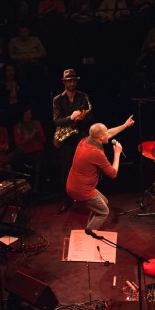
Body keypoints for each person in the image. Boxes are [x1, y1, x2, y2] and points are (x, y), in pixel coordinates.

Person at [66, 118, 134, 231]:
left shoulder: (85, 140)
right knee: (104, 211)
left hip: (73, 185)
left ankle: (90, 227)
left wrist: (124, 125)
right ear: (101, 137)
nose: (108, 133)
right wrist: (117, 153)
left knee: (104, 202)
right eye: (106, 132)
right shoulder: (95, 153)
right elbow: (113, 174)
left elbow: (108, 133)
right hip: (81, 189)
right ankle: (89, 235)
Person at [53, 69, 93, 214]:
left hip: (80, 138)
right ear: (64, 82)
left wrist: (82, 118)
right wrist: (71, 117)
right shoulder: (58, 99)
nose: (72, 83)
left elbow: (91, 116)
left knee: (84, 171)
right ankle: (66, 201)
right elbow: (56, 120)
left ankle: (86, 199)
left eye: (74, 80)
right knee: (66, 172)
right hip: (66, 141)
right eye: (69, 81)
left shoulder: (83, 97)